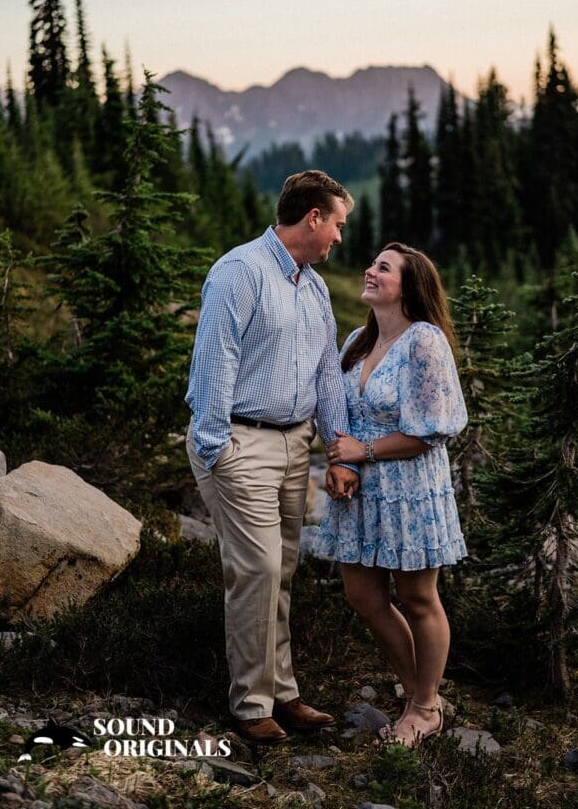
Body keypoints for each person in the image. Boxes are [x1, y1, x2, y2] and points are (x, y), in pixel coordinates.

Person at [185, 170, 359, 745]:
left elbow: (326, 375)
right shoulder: (241, 273)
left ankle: (283, 693)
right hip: (242, 443)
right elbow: (213, 362)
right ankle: (250, 703)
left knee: (282, 569)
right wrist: (217, 448)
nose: (338, 237)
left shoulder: (311, 286)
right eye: (336, 224)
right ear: (313, 218)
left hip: (295, 448)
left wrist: (336, 452)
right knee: (256, 569)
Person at [315, 242, 468, 746]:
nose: (370, 271)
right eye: (372, 264)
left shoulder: (424, 341)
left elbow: (431, 430)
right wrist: (340, 461)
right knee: (362, 595)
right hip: (360, 491)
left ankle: (424, 707)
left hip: (411, 490)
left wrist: (365, 453)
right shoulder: (359, 339)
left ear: (411, 284)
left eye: (384, 267)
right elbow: (338, 411)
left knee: (418, 597)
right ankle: (417, 692)